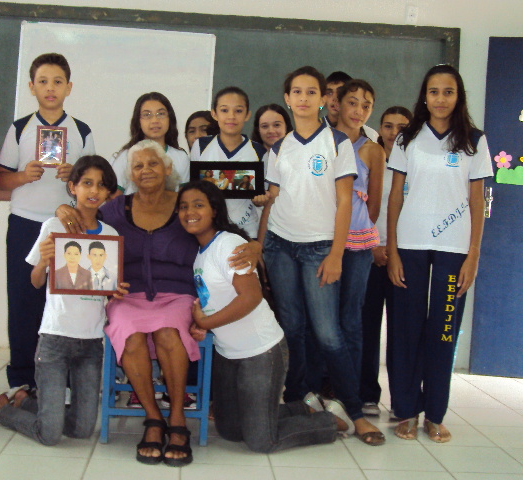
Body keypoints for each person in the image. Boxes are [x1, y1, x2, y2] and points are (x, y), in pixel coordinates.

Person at [56, 139, 260, 465]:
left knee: (168, 332)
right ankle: (154, 419)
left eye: (153, 163)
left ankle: (177, 418)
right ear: (131, 175)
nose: (146, 170)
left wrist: (256, 246)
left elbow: (222, 228)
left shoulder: (185, 205)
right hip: (128, 295)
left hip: (178, 294)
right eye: (138, 166)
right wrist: (62, 208)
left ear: (168, 169)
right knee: (130, 332)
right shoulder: (115, 208)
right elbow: (81, 216)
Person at [256, 66, 385, 446]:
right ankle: (298, 400)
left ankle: (356, 411)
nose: (304, 98)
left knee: (329, 334)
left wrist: (335, 254)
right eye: (297, 91)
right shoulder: (278, 148)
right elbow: (273, 201)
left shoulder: (338, 143)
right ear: (287, 98)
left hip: (319, 248)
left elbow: (345, 201)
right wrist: (261, 246)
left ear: (324, 99)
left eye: (312, 92)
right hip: (280, 246)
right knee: (292, 328)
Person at [179, 180, 354, 452]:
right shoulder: (200, 252)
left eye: (198, 205)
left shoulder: (229, 244)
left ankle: (330, 420)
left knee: (262, 440)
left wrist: (206, 322)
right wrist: (201, 321)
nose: (190, 211)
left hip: (260, 352)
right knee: (229, 429)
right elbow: (213, 298)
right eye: (184, 207)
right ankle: (304, 407)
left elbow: (250, 298)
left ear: (214, 210)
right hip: (228, 353)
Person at [0, 156, 124, 446]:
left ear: (108, 193)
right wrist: (43, 261)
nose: (94, 191)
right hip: (54, 338)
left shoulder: (110, 235)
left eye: (102, 186)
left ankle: (27, 405)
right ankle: (0, 409)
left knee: (81, 430)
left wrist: (115, 291)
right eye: (87, 183)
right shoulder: (53, 225)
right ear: (72, 187)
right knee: (50, 434)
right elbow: (35, 281)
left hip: (91, 342)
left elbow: (105, 289)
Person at [387, 65, 492, 443]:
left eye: (448, 92)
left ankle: (434, 413)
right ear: (424, 96)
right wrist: (393, 250)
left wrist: (473, 255)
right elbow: (395, 196)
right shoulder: (407, 139)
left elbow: (477, 200)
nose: (441, 98)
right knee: (406, 330)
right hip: (410, 245)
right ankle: (406, 411)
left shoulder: (474, 140)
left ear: (458, 96)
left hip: (455, 248)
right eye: (434, 91)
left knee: (443, 330)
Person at [0, 53, 96, 388]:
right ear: (31, 87)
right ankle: (22, 380)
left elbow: (94, 188)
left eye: (57, 81)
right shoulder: (19, 128)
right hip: (25, 224)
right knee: (24, 302)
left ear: (69, 87)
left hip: (70, 229)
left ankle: (62, 380)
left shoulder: (81, 131)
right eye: (42, 81)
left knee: (66, 304)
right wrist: (23, 177)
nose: (50, 88)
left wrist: (74, 177)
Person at [334, 79, 385, 411]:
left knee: (351, 317)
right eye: (353, 102)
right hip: (321, 240)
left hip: (357, 245)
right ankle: (321, 388)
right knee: (321, 318)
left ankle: (350, 394)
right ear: (338, 103)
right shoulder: (325, 143)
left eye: (366, 105)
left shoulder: (372, 150)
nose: (358, 111)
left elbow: (375, 205)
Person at [359, 106, 413, 417]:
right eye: (388, 126)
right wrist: (372, 247)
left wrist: (398, 251)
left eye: (401, 127)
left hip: (405, 258)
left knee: (402, 331)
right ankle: (367, 394)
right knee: (366, 328)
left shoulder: (416, 166)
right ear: (379, 129)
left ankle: (402, 401)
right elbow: (359, 208)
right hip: (370, 254)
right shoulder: (369, 161)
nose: (394, 133)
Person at [190, 86, 267, 238]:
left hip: (247, 231)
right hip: (209, 230)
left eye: (238, 111)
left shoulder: (259, 152)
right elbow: (195, 189)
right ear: (214, 114)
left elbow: (262, 195)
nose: (231, 116)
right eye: (224, 110)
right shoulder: (201, 146)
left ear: (247, 115)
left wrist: (260, 200)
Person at [111, 92, 189, 194]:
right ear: (138, 121)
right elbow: (113, 200)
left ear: (170, 118)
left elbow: (184, 198)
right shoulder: (125, 157)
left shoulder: (181, 157)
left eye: (160, 114)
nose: (154, 120)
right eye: (147, 115)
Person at [324, 71, 379, 141]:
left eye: (339, 92)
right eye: (329, 93)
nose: (335, 98)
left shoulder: (371, 135)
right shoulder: (315, 131)